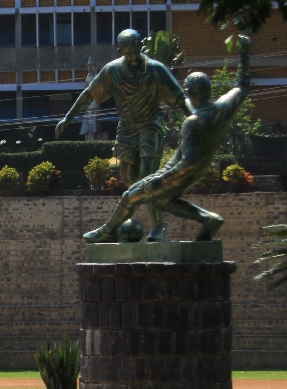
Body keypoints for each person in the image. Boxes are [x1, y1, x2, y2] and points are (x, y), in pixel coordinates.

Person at [84, 36, 251, 243]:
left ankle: (107, 231)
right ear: (208, 90)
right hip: (199, 169)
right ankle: (209, 219)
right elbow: (242, 85)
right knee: (163, 201)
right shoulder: (224, 107)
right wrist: (244, 54)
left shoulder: (193, 122)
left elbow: (187, 162)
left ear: (189, 92)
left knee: (130, 196)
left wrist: (160, 179)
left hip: (177, 172)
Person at [58, 29, 192, 240]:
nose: (133, 57)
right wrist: (68, 118)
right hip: (127, 129)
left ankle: (158, 229)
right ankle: (120, 224)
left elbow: (181, 98)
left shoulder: (156, 69)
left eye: (136, 51)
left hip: (149, 126)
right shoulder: (112, 71)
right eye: (128, 53)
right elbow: (89, 94)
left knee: (149, 178)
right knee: (129, 179)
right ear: (120, 51)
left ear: (141, 47)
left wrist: (195, 118)